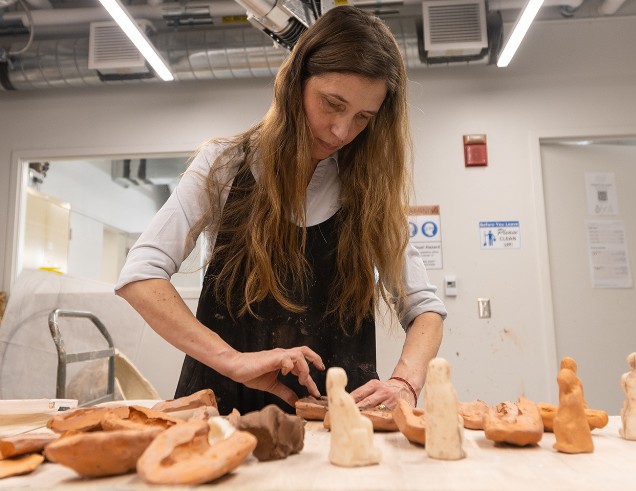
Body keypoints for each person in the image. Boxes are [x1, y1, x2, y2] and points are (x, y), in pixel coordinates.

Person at [115, 7, 447, 416]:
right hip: (223, 414)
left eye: (363, 117)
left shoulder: (367, 191)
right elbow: (140, 275)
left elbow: (425, 309)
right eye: (332, 103)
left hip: (337, 422)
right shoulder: (224, 166)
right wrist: (231, 359)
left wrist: (405, 383)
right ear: (296, 83)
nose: (342, 131)